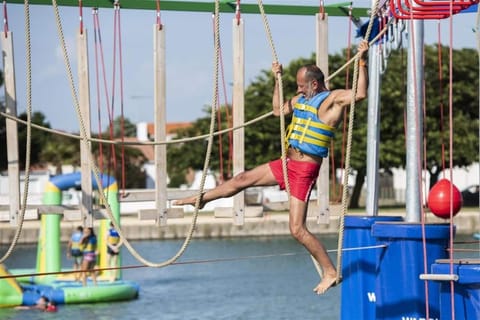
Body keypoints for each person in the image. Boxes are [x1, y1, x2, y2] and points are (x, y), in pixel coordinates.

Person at [173, 40, 370, 295]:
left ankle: (330, 271)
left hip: (304, 170)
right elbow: (278, 111)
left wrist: (362, 61)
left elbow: (360, 94)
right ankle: (202, 200)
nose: (298, 90)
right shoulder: (301, 100)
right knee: (242, 178)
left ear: (314, 83)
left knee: (297, 229)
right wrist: (278, 81)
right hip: (286, 163)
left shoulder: (332, 100)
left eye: (301, 85)